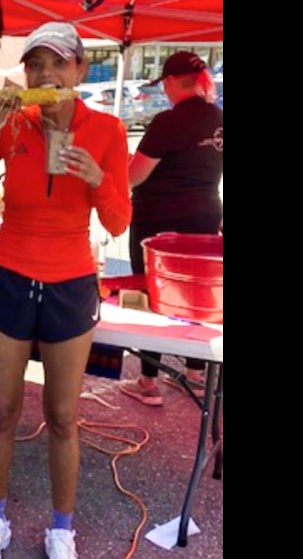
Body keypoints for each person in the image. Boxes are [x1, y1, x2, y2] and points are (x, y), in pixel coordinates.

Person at [0, 22, 131, 559]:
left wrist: (97, 177)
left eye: (59, 64)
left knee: (63, 417)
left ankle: (61, 533)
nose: (46, 75)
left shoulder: (107, 129)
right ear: (24, 74)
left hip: (71, 281)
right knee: (2, 411)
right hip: (7, 276)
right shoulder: (13, 124)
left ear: (79, 70)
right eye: (35, 65)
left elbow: (120, 220)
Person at [117, 51, 223, 407]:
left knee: (153, 296)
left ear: (170, 82)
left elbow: (134, 176)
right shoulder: (219, 119)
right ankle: (196, 372)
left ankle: (149, 381)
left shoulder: (168, 121)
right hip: (206, 219)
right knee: (198, 297)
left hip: (159, 225)